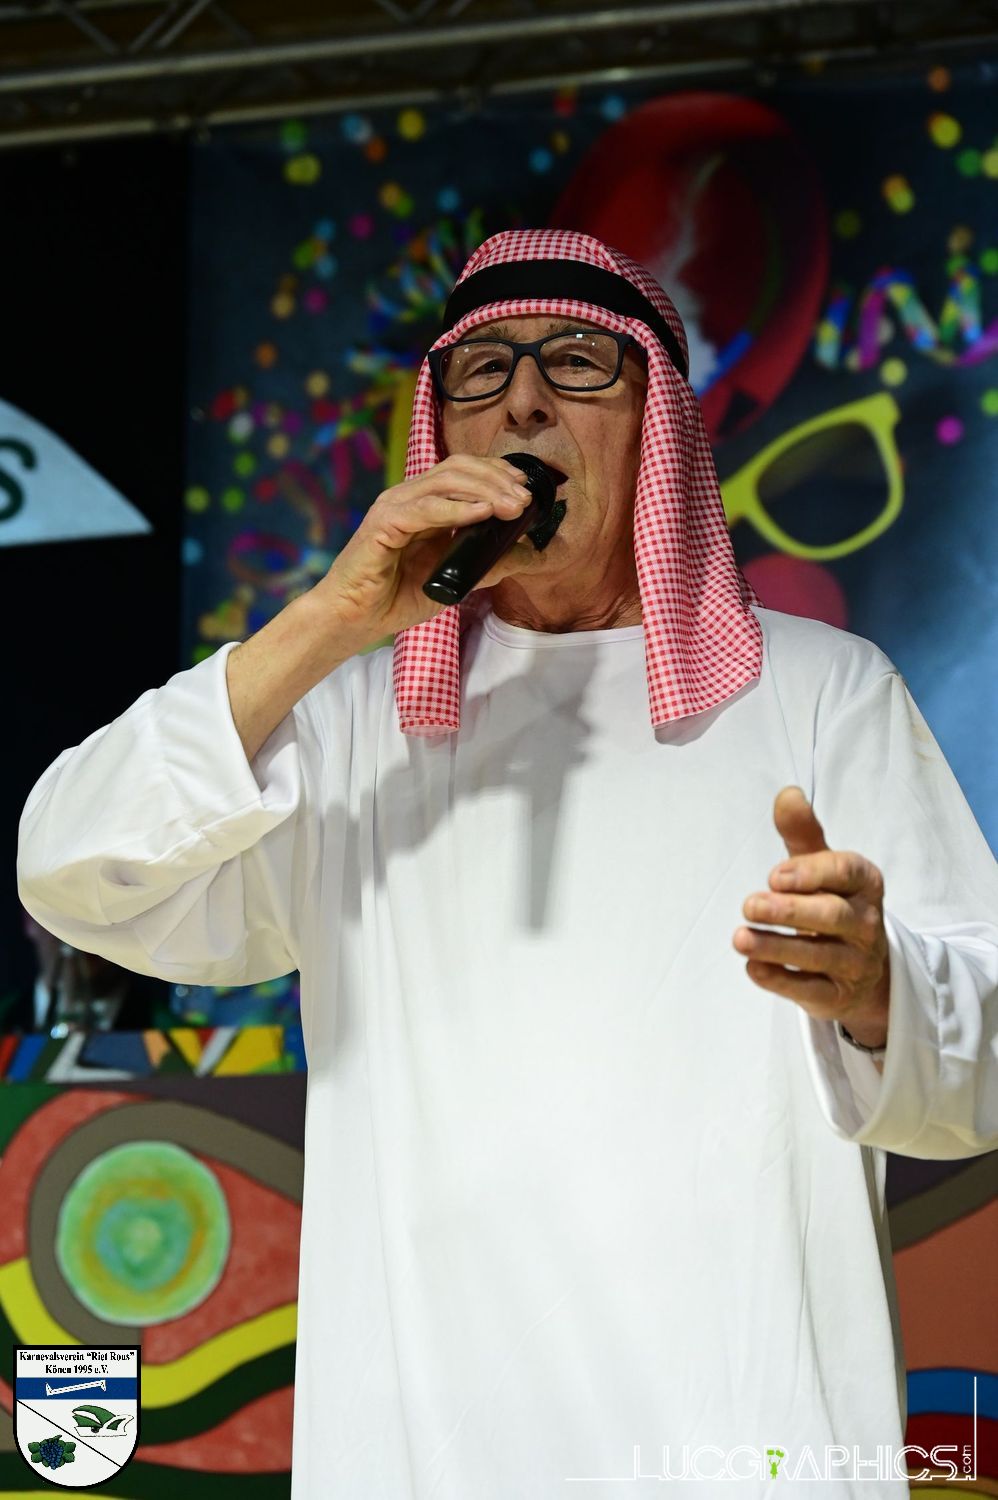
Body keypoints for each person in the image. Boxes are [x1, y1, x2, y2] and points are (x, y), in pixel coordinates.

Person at [17, 228, 998, 1498]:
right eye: (481, 371)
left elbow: (980, 1065)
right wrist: (329, 621)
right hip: (428, 1456)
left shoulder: (819, 693)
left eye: (576, 361)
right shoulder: (353, 715)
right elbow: (70, 866)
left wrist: (874, 989)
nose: (523, 399)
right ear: (441, 430)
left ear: (658, 428)